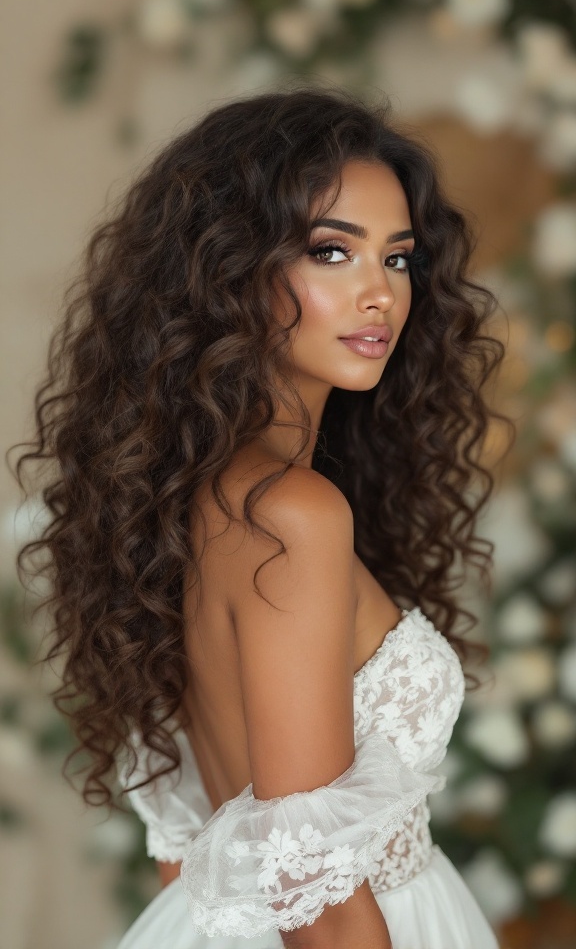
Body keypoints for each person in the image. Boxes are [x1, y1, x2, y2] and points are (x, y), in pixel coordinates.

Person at [13, 86, 511, 948]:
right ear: (230, 271)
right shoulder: (288, 514)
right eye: (331, 251)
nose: (379, 294)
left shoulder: (183, 501)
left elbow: (187, 855)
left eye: (397, 259)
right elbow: (317, 903)